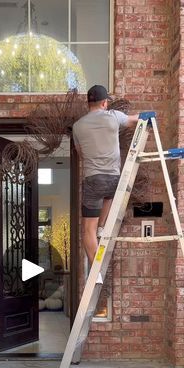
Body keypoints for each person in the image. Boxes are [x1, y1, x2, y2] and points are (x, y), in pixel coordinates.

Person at [73, 84, 139, 282]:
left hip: (93, 179)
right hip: (113, 178)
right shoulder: (113, 116)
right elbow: (132, 120)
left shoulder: (77, 126)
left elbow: (80, 153)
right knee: (108, 196)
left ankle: (96, 271)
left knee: (87, 230)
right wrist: (147, 116)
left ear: (89, 103)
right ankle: (103, 225)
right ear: (104, 102)